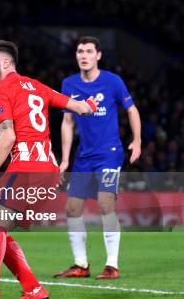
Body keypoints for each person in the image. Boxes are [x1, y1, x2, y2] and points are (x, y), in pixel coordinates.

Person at [0, 40, 97, 299]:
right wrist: (91, 101)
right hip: (49, 170)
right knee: (0, 228)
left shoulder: (0, 90)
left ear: (5, 62)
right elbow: (82, 108)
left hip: (27, 165)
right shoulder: (37, 86)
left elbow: (8, 137)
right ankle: (33, 290)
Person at [54, 36, 142, 280]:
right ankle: (80, 264)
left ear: (98, 55)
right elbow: (68, 122)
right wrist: (65, 159)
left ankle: (112, 265)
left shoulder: (112, 81)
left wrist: (137, 140)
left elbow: (132, 110)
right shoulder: (69, 84)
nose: (83, 55)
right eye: (80, 51)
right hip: (84, 157)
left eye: (89, 51)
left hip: (109, 154)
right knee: (72, 208)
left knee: (105, 203)